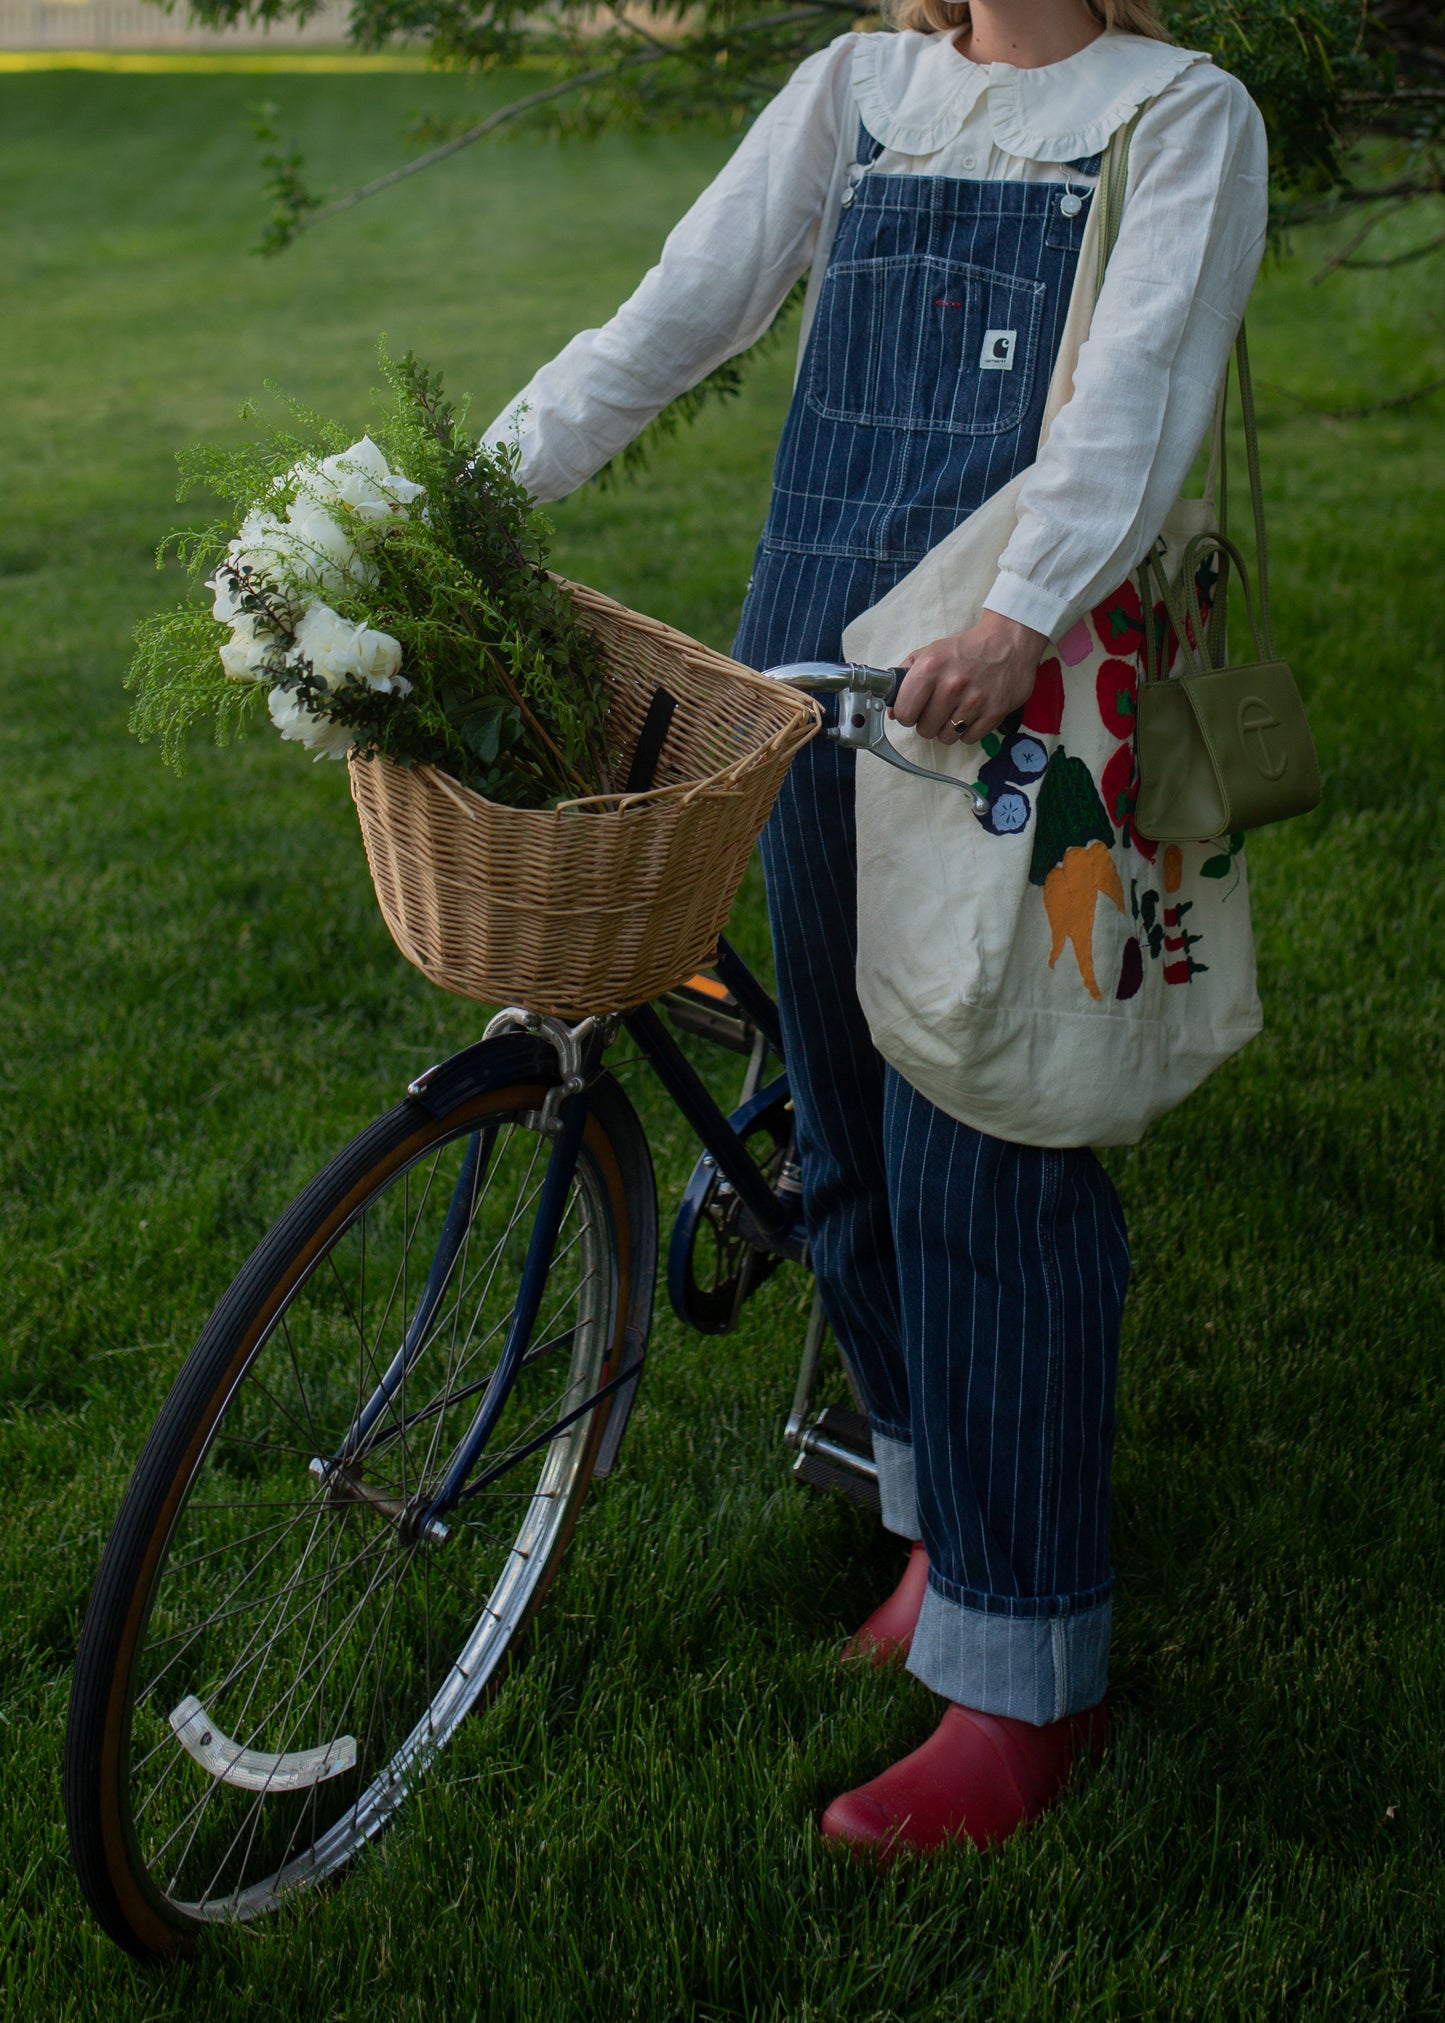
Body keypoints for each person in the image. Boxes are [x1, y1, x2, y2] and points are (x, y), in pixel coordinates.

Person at [483, 0, 1267, 1857]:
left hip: (1015, 707)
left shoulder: (1174, 114)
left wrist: (1016, 609)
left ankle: (1021, 1683)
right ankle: (942, 1538)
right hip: (812, 674)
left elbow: (1136, 391)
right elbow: (675, 315)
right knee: (841, 1131)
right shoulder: (860, 87)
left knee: (987, 1150)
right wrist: (474, 491)